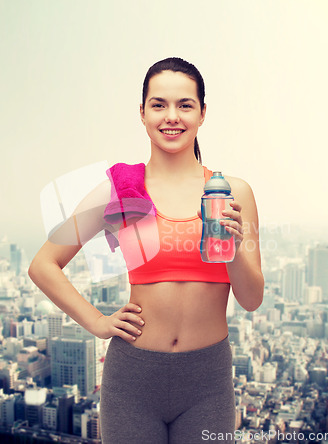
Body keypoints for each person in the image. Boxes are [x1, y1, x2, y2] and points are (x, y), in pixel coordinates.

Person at [28, 57, 264, 444]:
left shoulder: (233, 193)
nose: (172, 116)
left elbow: (251, 299)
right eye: (159, 105)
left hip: (208, 381)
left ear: (203, 113)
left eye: (185, 105)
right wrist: (98, 323)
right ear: (142, 113)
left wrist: (235, 247)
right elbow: (43, 264)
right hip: (133, 379)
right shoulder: (119, 189)